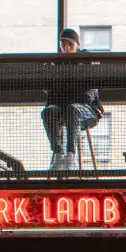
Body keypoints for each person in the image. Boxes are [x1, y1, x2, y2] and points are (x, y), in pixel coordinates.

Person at [42, 28, 105, 173]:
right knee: (48, 112)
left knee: (73, 109)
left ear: (77, 45)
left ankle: (71, 155)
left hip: (87, 110)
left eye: (69, 44)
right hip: (64, 109)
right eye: (63, 44)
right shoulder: (55, 64)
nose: (66, 47)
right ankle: (58, 153)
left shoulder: (87, 61)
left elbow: (93, 86)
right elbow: (46, 87)